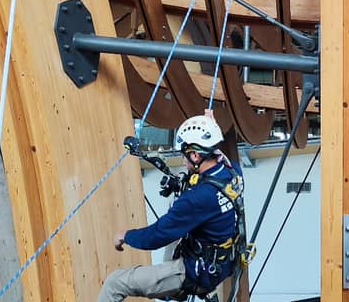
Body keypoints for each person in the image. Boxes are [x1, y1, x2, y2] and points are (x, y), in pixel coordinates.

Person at [101, 115, 245, 302]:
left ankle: (175, 287)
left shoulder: (197, 199)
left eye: (184, 155)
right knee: (176, 220)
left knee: (114, 283)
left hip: (197, 271)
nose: (183, 160)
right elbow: (216, 163)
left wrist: (125, 236)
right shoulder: (233, 172)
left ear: (195, 155)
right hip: (223, 262)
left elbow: (156, 236)